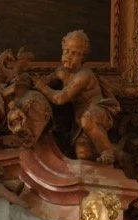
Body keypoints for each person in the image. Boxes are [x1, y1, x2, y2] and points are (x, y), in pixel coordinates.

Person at [35, 30, 119, 165]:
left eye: (74, 53)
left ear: (83, 57)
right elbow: (46, 81)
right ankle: (111, 153)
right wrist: (35, 83)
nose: (68, 56)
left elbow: (61, 98)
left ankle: (107, 150)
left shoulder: (84, 75)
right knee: (83, 153)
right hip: (80, 121)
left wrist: (42, 88)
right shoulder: (61, 72)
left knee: (87, 120)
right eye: (66, 51)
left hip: (98, 112)